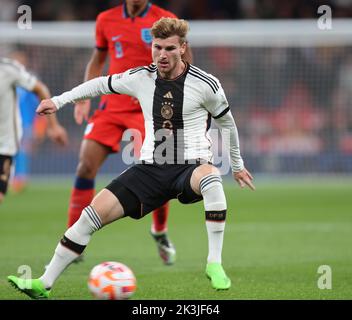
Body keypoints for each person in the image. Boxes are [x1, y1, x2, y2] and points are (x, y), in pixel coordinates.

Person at [8, 18, 255, 299]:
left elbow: (229, 125)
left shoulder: (206, 84)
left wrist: (236, 166)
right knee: (90, 215)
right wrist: (59, 100)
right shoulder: (141, 78)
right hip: (150, 169)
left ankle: (214, 263)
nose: (162, 54)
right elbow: (100, 84)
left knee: (212, 179)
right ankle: (43, 283)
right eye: (157, 47)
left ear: (183, 48)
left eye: (170, 49)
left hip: (191, 166)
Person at [67, 0, 192, 265]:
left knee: (159, 170)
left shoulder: (164, 19)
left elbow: (185, 63)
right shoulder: (105, 20)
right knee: (85, 166)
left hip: (148, 109)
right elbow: (98, 59)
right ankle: (73, 240)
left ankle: (159, 230)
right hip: (111, 106)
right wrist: (83, 97)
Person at [0, 57, 68, 204]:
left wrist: (48, 124)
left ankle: (20, 178)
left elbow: (39, 95)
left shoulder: (11, 72)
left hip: (18, 129)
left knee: (23, 150)